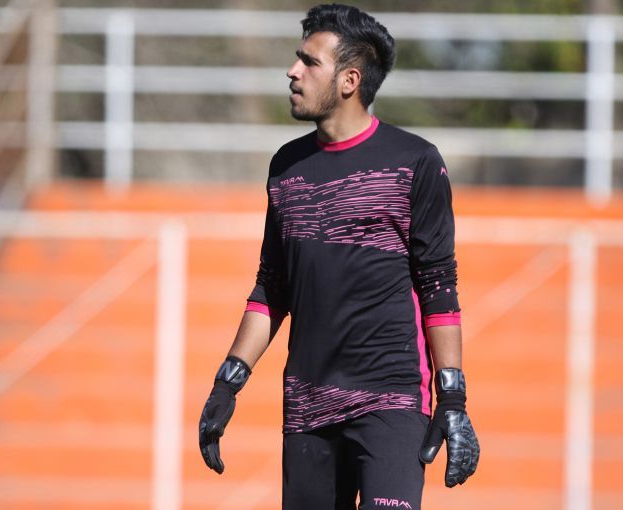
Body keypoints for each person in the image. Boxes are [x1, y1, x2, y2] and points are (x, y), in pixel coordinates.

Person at [199, 4, 479, 509]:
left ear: (350, 80)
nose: (293, 71)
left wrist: (453, 399)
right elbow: (272, 288)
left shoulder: (415, 161)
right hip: (307, 407)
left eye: (309, 62)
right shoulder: (286, 167)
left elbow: (438, 286)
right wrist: (227, 382)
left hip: (392, 401)